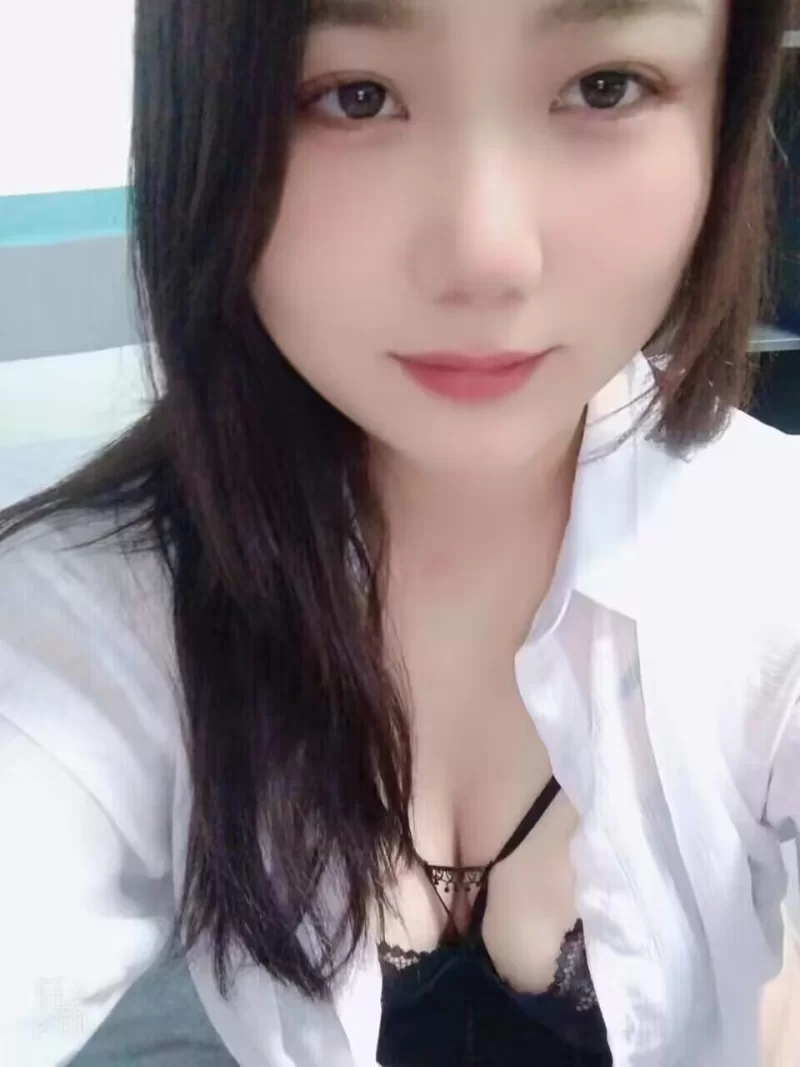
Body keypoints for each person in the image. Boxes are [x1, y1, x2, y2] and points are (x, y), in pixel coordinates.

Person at [0, 0, 798, 1064]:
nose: (487, 255)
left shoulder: (770, 556)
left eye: (603, 87)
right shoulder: (100, 611)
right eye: (356, 96)